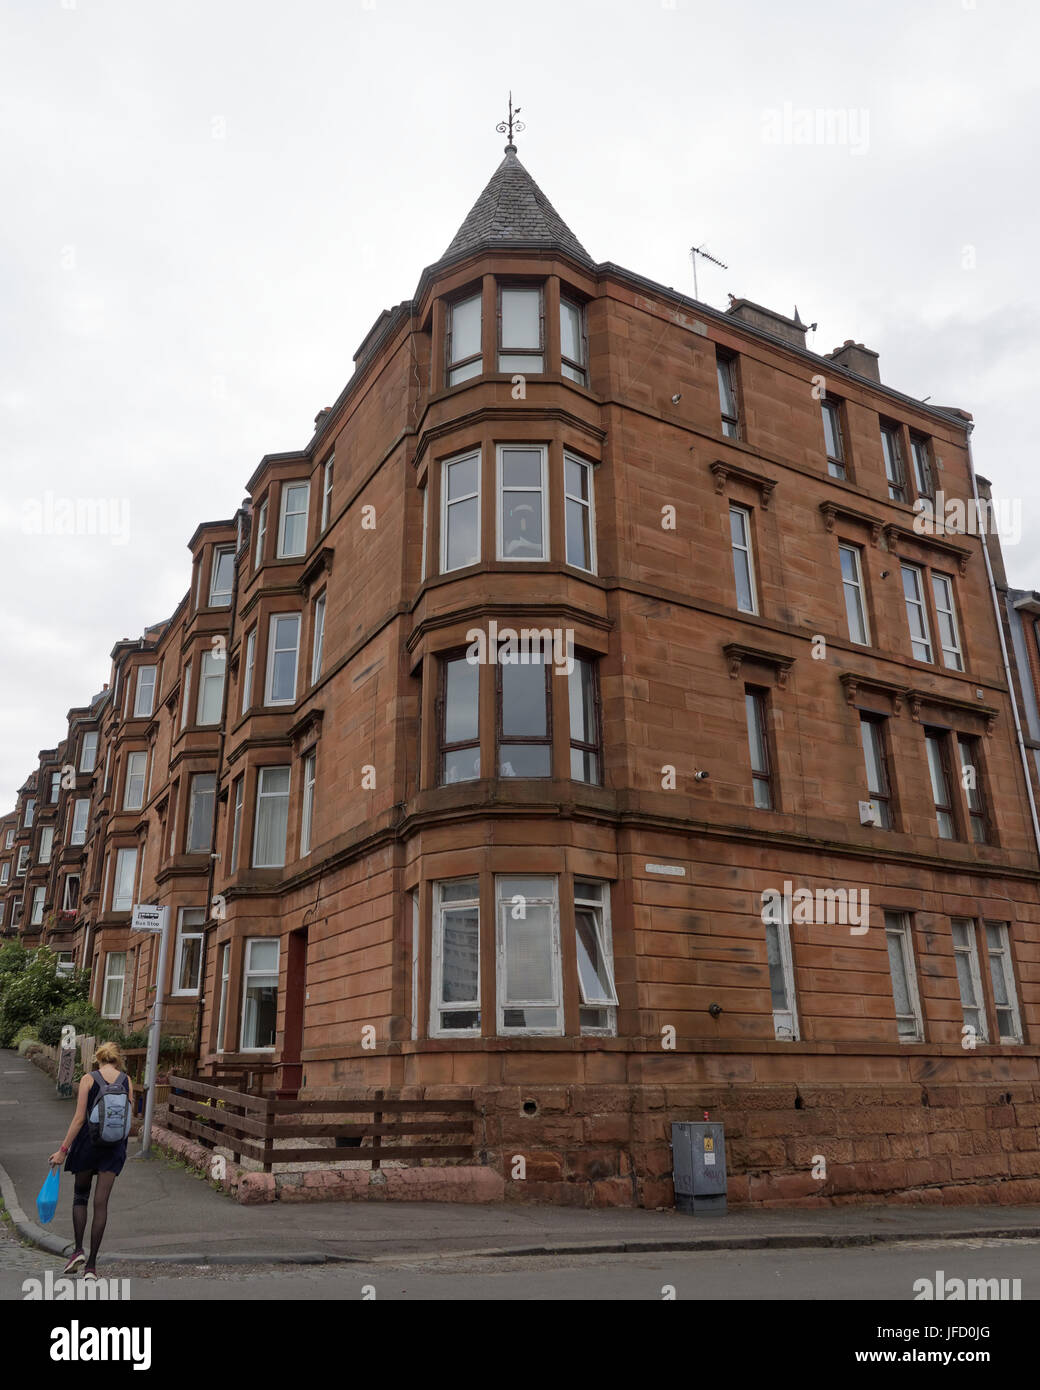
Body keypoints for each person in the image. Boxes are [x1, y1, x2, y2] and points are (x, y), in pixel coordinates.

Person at [48, 1041, 133, 1277]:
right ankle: (92, 1266)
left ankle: (77, 1251)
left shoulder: (88, 1078)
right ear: (117, 1059)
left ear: (99, 1058)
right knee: (101, 1204)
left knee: (80, 1197)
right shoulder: (126, 1081)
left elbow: (78, 1119)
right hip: (114, 1147)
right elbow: (129, 1118)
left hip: (88, 1143)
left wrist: (63, 1150)